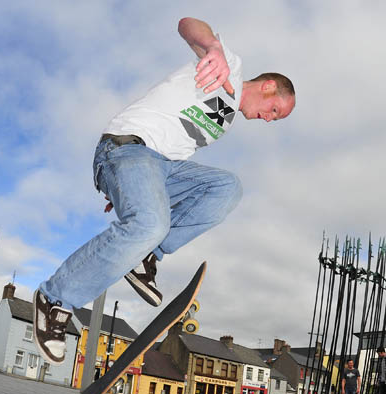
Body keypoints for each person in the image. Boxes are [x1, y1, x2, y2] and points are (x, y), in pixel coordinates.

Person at [31, 17, 296, 362]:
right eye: (275, 110)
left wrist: (135, 192)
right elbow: (188, 25)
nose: (269, 119)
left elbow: (176, 158)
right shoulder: (227, 66)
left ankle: (147, 254)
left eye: (275, 119)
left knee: (227, 187)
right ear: (268, 86)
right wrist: (214, 48)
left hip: (157, 168)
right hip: (127, 148)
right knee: (149, 224)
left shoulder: (223, 123)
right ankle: (55, 298)